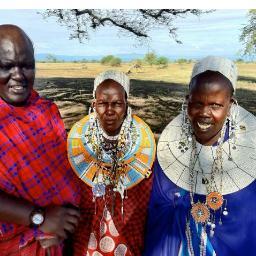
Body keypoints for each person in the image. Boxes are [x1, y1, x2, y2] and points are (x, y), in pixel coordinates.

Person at [144, 56, 256, 256]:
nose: (204, 113)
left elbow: (247, 224)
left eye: (215, 105)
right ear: (187, 102)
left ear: (231, 105)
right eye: (197, 103)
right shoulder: (169, 152)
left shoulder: (249, 156)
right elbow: (159, 211)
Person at [0, 24, 81, 255]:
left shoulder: (46, 111)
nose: (19, 75)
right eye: (6, 67)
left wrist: (62, 223)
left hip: (57, 241)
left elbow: (63, 174)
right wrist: (40, 218)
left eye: (27, 66)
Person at [67, 70, 156, 255]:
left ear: (126, 105)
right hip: (87, 239)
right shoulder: (77, 144)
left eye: (116, 104)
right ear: (94, 104)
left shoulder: (142, 145)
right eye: (102, 104)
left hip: (128, 236)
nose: (109, 111)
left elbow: (143, 204)